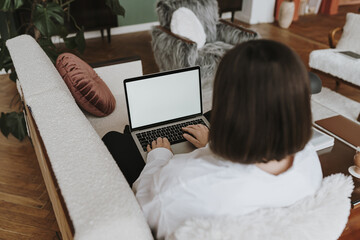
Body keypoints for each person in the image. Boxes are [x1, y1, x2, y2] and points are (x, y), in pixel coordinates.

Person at [103, 39, 323, 239]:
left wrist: (159, 157)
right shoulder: (309, 159)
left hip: (166, 179)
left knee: (114, 139)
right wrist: (212, 144)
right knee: (203, 119)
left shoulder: (180, 184)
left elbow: (144, 204)